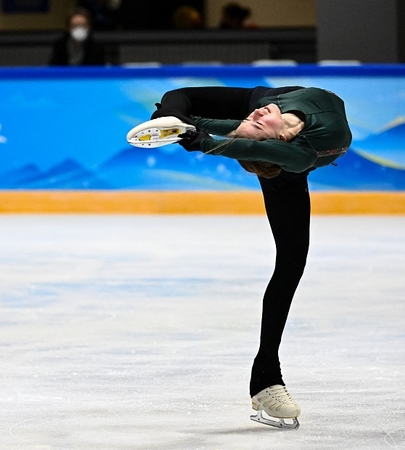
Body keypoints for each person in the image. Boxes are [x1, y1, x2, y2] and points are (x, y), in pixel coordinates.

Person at [127, 85, 352, 429]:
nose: (257, 116)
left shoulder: (267, 112)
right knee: (291, 264)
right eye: (256, 123)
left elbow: (211, 121)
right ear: (277, 143)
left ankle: (263, 377)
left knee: (292, 263)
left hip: (277, 142)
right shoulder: (299, 143)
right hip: (282, 169)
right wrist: (186, 131)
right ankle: (266, 377)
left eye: (252, 120)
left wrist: (184, 128)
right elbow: (235, 137)